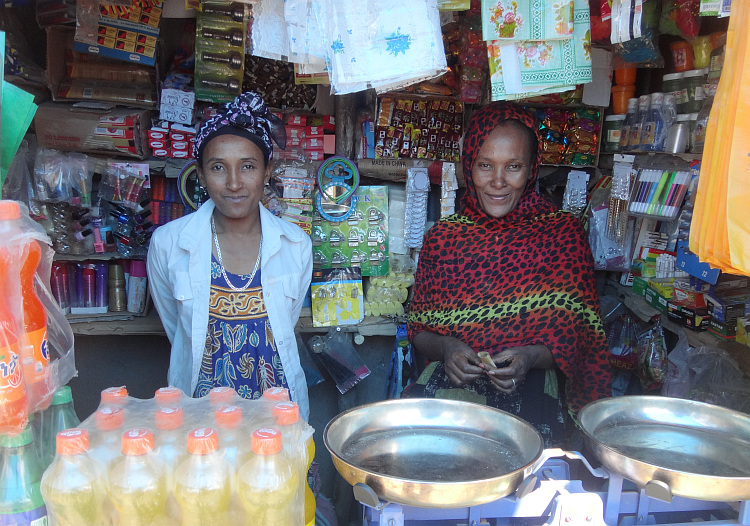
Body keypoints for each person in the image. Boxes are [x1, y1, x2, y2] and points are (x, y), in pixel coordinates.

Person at [406, 102, 611, 446]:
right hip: (448, 394)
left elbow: (581, 338)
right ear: (468, 166)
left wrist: (530, 357)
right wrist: (447, 348)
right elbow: (418, 329)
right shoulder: (443, 239)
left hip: (533, 394)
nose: (498, 182)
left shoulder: (562, 236)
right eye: (485, 165)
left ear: (532, 169)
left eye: (513, 166)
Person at [148, 92, 313, 420]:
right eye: (219, 167)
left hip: (277, 413)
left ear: (267, 171)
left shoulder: (295, 244)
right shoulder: (168, 244)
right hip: (201, 418)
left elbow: (284, 324)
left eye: (248, 166)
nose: (234, 183)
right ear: (200, 172)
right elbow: (177, 327)